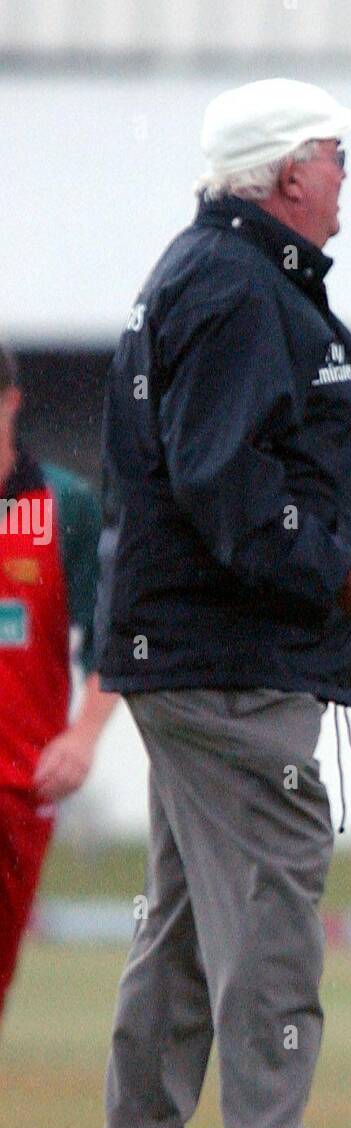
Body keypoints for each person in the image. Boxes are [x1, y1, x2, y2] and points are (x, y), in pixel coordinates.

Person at [83, 79, 351, 1128]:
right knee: (276, 875)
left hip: (191, 640)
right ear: (285, 174)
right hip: (222, 650)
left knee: (184, 907)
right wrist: (340, 572)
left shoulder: (215, 273)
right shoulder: (235, 288)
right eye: (333, 156)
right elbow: (230, 484)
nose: (342, 177)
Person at [0, 343, 117, 1023]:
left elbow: (117, 640)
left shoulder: (61, 508)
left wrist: (83, 735)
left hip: (21, 788)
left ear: (11, 402)